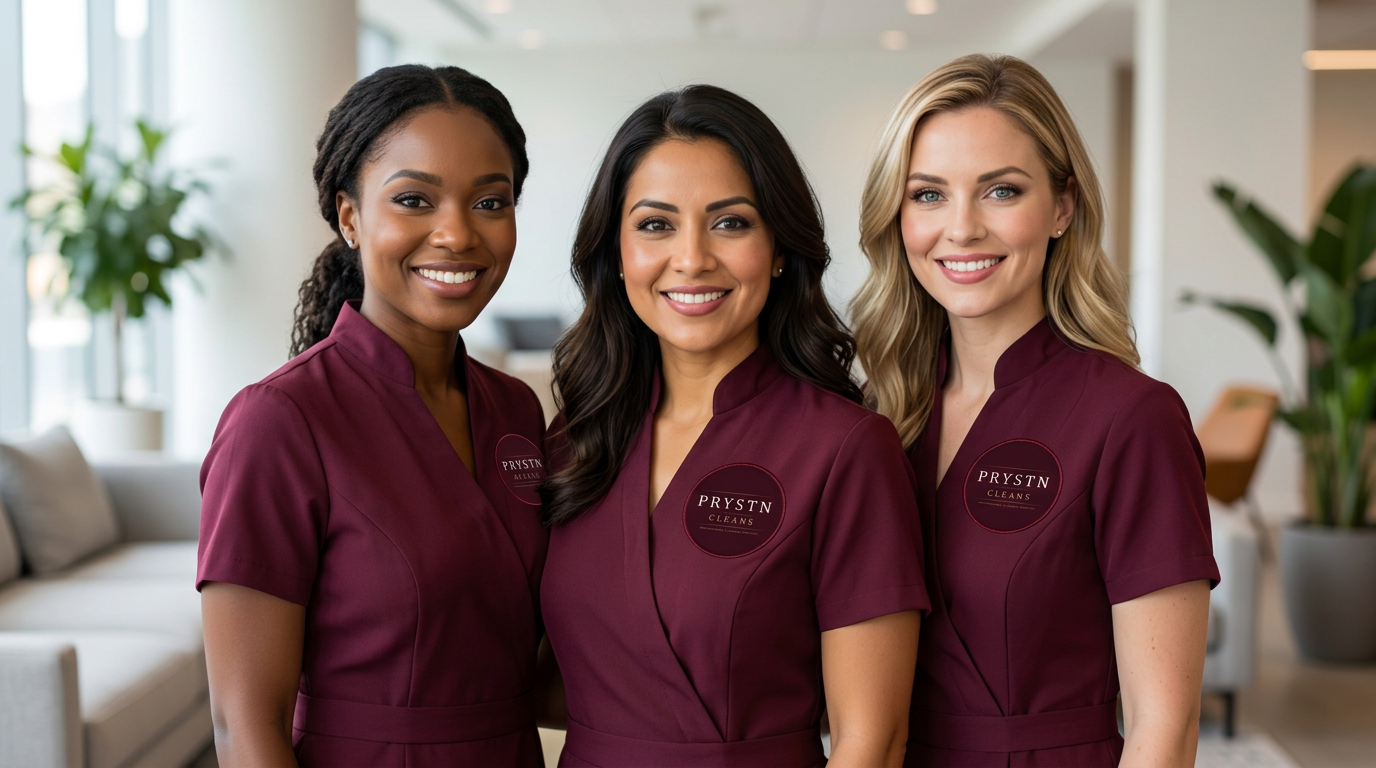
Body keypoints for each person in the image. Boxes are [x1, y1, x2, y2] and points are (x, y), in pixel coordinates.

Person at [539, 85, 927, 768]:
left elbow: (873, 740)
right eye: (655, 225)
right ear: (617, 252)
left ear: (779, 247)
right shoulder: (576, 438)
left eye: (730, 223)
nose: (691, 258)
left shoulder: (845, 449)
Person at [851, 54, 1219, 767]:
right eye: (927, 195)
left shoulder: (1132, 420)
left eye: (1000, 191)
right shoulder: (882, 414)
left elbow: (1163, 730)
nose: (960, 229)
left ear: (1063, 207)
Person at [197, 64, 548, 767]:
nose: (457, 235)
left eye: (490, 202)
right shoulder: (278, 423)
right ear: (351, 216)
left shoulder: (515, 409)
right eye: (415, 200)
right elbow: (245, 727)